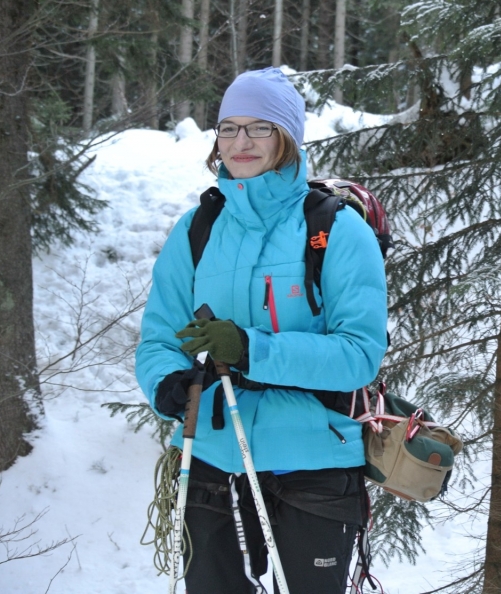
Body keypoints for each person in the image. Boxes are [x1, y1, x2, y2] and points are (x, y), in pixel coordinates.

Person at [135, 67, 388, 594]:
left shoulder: (337, 229)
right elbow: (160, 337)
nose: (241, 142)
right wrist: (168, 386)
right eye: (229, 127)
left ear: (288, 139)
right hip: (210, 461)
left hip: (313, 465)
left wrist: (251, 348)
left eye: (260, 128)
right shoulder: (196, 230)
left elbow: (359, 354)